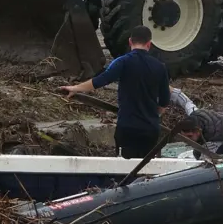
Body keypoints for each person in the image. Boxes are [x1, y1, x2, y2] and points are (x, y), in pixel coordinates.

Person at [59, 26, 170, 159]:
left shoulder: (123, 62)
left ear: (130, 42)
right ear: (149, 44)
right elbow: (164, 101)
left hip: (128, 128)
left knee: (125, 170)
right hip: (150, 130)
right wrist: (153, 114)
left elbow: (100, 80)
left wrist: (75, 88)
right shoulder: (160, 67)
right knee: (147, 170)